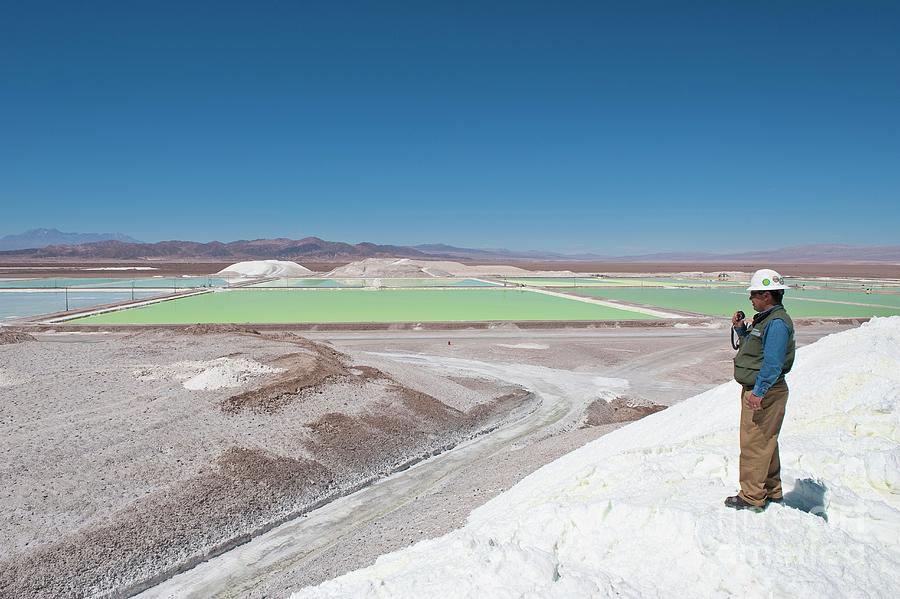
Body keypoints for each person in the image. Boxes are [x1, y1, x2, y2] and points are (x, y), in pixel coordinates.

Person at [725, 268, 795, 512]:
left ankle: (752, 496)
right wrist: (741, 330)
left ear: (767, 295)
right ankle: (772, 491)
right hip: (763, 389)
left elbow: (773, 362)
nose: (750, 298)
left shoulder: (776, 324)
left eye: (754, 294)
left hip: (764, 392)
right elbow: (755, 350)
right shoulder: (765, 320)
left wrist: (759, 392)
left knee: (754, 443)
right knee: (766, 441)